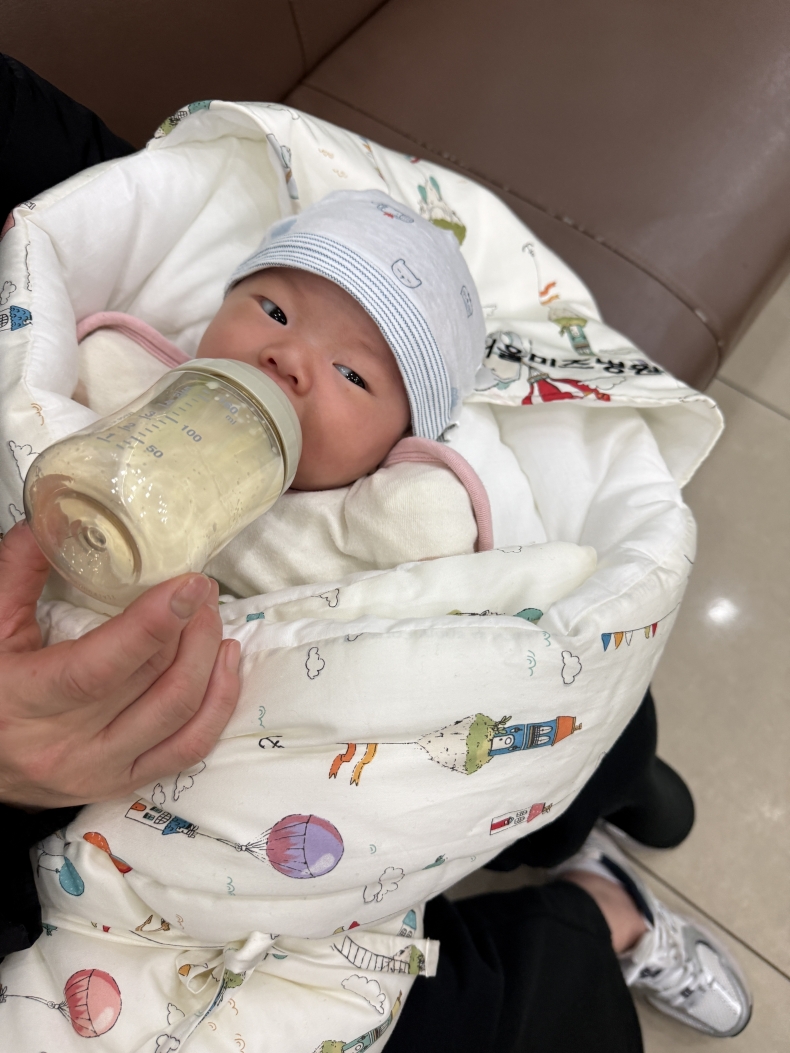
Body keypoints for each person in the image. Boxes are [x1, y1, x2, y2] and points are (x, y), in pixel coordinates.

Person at [0, 53, 750, 1051]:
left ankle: (593, 805)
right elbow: (64, 386)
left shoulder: (373, 514)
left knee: (577, 694)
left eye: (353, 375)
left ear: (401, 444)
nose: (287, 358)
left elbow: (441, 590)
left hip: (303, 704)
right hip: (133, 769)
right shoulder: (145, 387)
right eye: (271, 311)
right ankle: (588, 910)